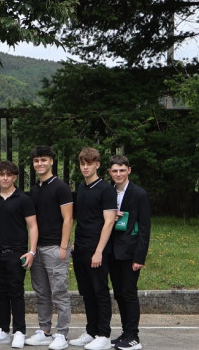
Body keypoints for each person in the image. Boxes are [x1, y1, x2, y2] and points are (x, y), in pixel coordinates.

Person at [0, 161, 38, 349]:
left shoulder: (23, 199)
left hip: (18, 253)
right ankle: (4, 330)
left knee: (16, 292)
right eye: (1, 174)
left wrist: (31, 251)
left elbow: (33, 226)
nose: (5, 178)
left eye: (9, 175)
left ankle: (20, 331)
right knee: (0, 293)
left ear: (14, 177)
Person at [24, 146, 73, 350]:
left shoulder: (61, 187)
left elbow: (68, 218)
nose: (40, 164)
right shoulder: (35, 189)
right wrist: (32, 249)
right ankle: (45, 331)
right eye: (36, 161)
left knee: (59, 293)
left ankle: (62, 334)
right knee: (42, 293)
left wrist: (63, 247)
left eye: (44, 160)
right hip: (38, 249)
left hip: (55, 248)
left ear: (52, 161)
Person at [69, 148, 118, 350]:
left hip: (96, 249)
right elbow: (83, 219)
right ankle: (91, 331)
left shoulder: (106, 190)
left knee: (100, 291)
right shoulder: (82, 187)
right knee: (87, 292)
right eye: (83, 163)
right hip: (80, 247)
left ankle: (104, 335)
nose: (86, 167)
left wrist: (99, 251)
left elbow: (108, 223)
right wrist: (74, 242)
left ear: (98, 164)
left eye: (90, 163)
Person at [106, 155, 151, 350]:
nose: (118, 174)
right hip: (112, 251)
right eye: (115, 170)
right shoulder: (108, 192)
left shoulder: (139, 194)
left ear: (129, 171)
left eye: (122, 170)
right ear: (110, 172)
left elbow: (145, 228)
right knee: (119, 294)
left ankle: (134, 336)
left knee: (129, 293)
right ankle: (125, 332)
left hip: (131, 252)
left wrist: (139, 257)